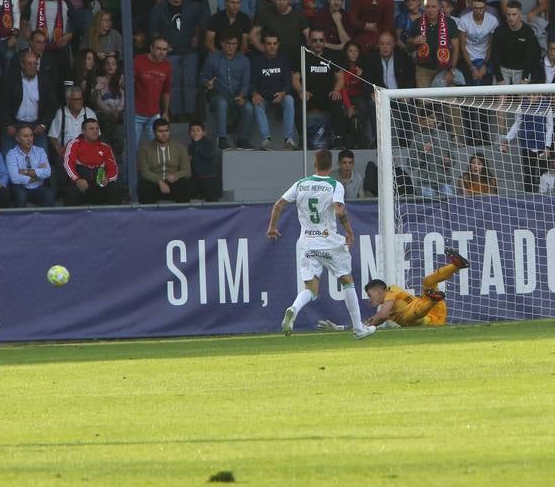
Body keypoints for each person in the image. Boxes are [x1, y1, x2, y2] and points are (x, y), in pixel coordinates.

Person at [267, 149, 376, 339]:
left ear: (314, 164)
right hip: (329, 242)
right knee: (347, 281)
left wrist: (272, 227)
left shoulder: (301, 184)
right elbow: (339, 211)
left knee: (311, 288)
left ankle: (294, 308)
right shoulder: (335, 185)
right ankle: (358, 328)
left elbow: (278, 205)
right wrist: (349, 231)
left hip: (307, 243)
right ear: (331, 165)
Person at [363, 247, 470, 329]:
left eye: (370, 295)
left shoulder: (391, 290)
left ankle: (456, 265)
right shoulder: (386, 309)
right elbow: (380, 319)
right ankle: (433, 299)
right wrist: (368, 324)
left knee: (428, 281)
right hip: (428, 318)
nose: (369, 299)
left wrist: (365, 326)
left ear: (379, 290)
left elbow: (382, 315)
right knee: (409, 318)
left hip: (430, 311)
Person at [201, 34, 254, 150]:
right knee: (222, 102)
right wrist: (207, 83)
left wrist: (241, 96)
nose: (231, 47)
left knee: (248, 107)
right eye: (228, 44)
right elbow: (203, 77)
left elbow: (246, 83)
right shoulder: (212, 58)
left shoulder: (244, 60)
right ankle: (222, 139)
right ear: (222, 44)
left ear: (238, 45)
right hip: (217, 94)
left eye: (234, 44)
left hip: (236, 95)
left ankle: (242, 140)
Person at [62, 118, 120, 206]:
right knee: (72, 192)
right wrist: (77, 180)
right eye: (91, 129)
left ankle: (116, 217)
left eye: (97, 128)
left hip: (99, 186)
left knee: (115, 188)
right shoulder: (74, 144)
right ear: (83, 131)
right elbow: (68, 164)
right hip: (81, 186)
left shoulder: (105, 147)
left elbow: (113, 168)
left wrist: (108, 179)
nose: (95, 131)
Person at [138, 118, 192, 204]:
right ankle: (149, 216)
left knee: (184, 185)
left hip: (173, 182)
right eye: (160, 131)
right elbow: (144, 172)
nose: (164, 134)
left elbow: (187, 171)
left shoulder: (179, 148)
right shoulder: (145, 149)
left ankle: (182, 214)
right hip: (154, 183)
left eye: (166, 131)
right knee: (144, 187)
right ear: (154, 132)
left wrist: (176, 176)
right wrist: (159, 181)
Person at [5, 123, 54, 207]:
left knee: (49, 194)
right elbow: (14, 178)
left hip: (38, 187)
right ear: (17, 139)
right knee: (21, 194)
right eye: (25, 136)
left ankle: (46, 220)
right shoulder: (11, 154)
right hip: (21, 188)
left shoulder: (40, 151)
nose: (29, 139)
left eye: (31, 136)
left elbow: (47, 172)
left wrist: (26, 172)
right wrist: (36, 176)